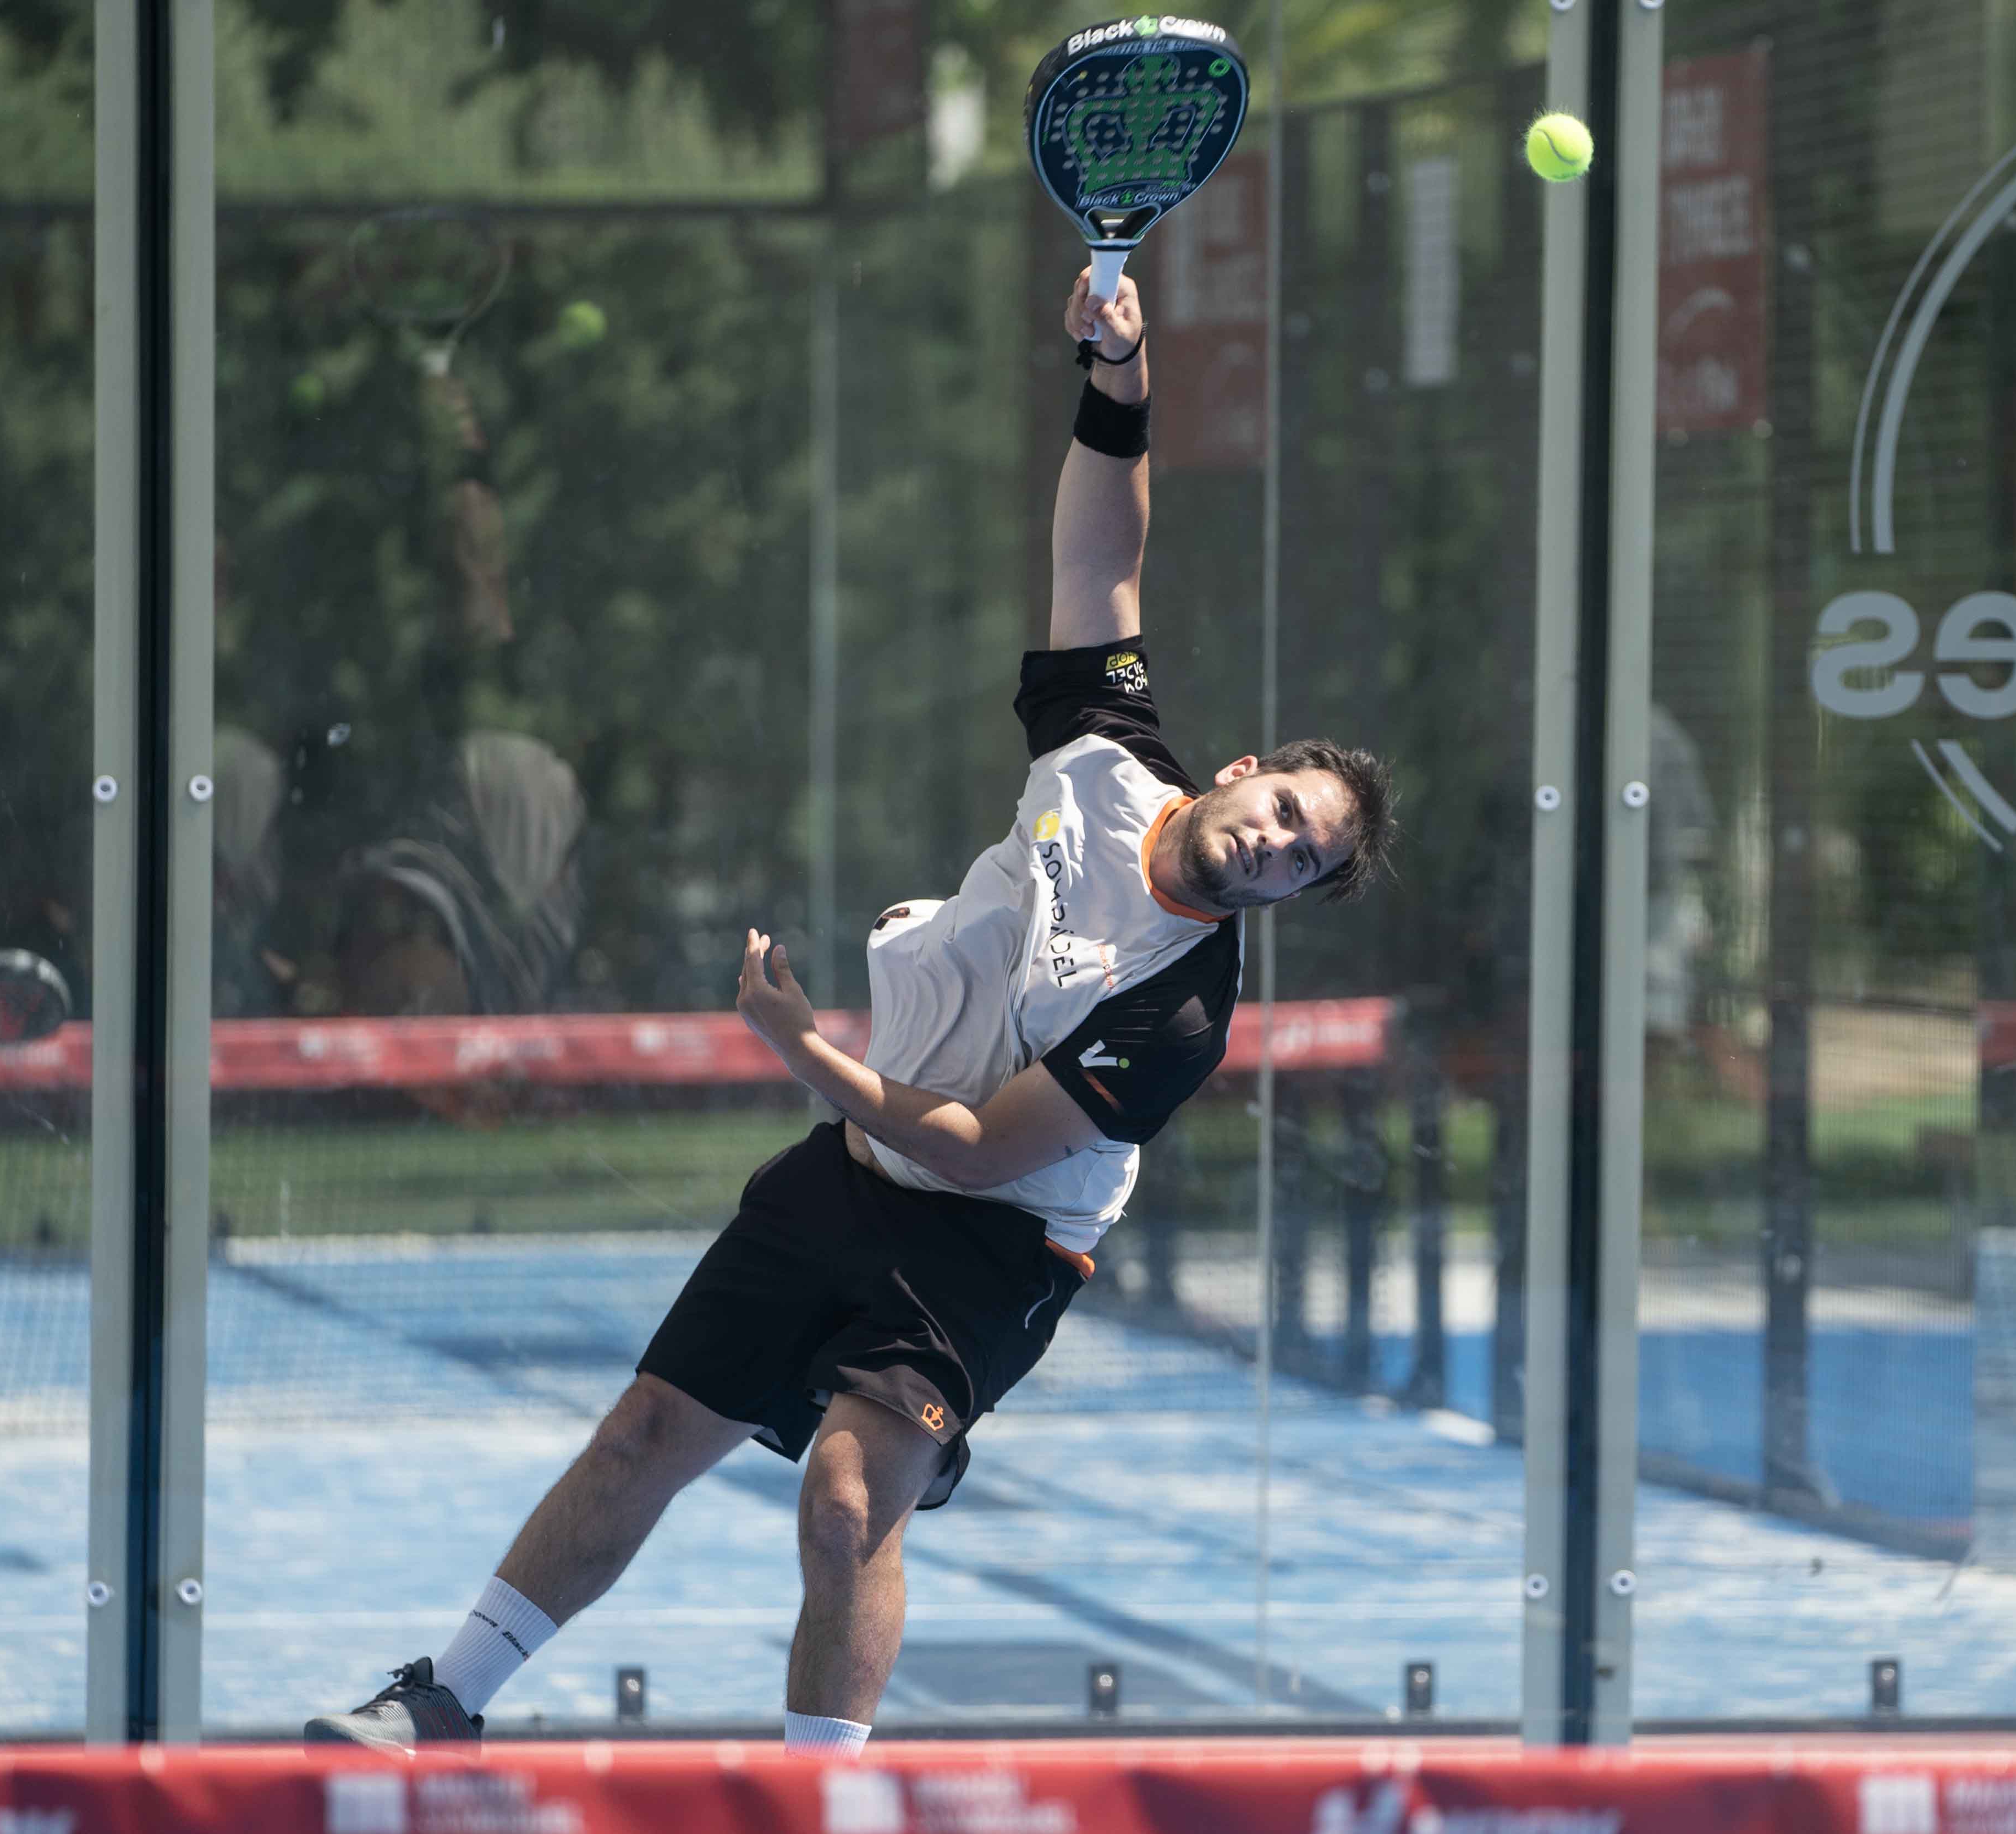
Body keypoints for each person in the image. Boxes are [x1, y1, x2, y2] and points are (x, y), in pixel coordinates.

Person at [306, 268, 1398, 1753]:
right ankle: (444, 1699)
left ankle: (821, 1808)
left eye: (1304, 859)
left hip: (993, 1243)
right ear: (1246, 773)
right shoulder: (1104, 746)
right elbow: (1103, 549)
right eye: (1286, 811)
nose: (1277, 843)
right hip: (858, 1165)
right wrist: (1122, 374)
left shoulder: (1184, 1007)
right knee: (645, 1431)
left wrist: (803, 1050)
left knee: (843, 1501)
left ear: (1293, 892)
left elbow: (980, 1151)